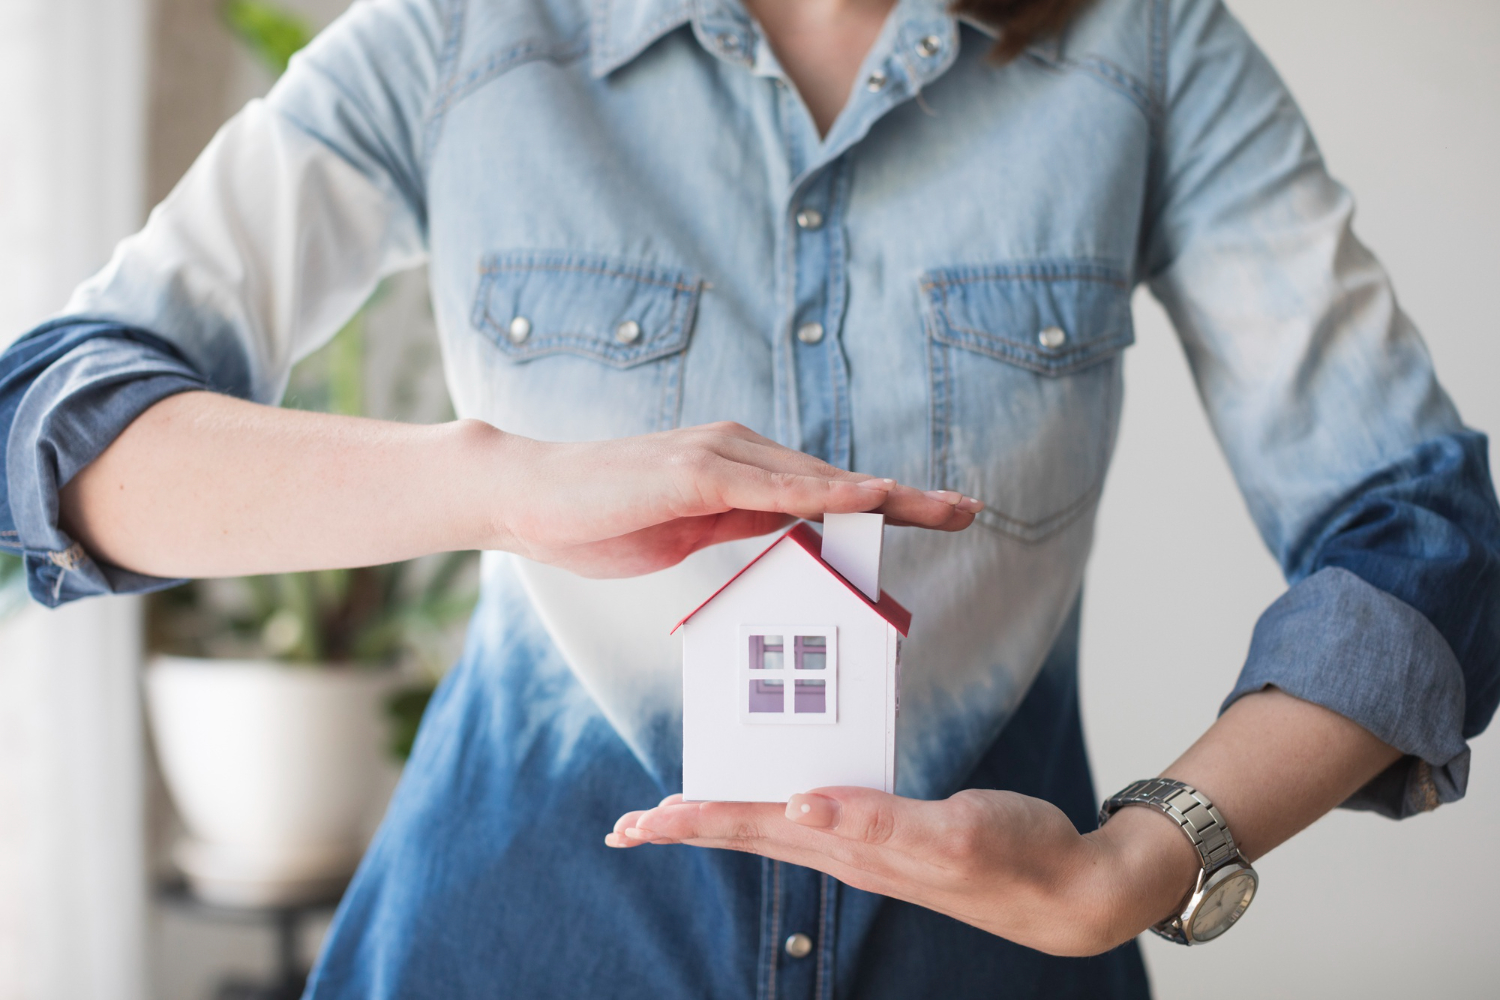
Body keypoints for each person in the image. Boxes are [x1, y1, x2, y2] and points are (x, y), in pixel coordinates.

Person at [2, 0, 1497, 995]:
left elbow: (1429, 542)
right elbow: (53, 427)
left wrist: (1138, 863)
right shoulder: (469, 33)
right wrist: (505, 488)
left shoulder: (1149, 48)